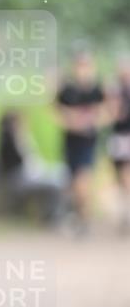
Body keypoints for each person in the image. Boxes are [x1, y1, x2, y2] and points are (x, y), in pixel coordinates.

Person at [55, 48, 107, 235]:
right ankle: (78, 214)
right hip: (71, 142)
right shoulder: (67, 90)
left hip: (88, 143)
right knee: (73, 184)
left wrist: (92, 122)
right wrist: (70, 122)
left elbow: (107, 111)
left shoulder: (96, 90)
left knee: (83, 182)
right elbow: (56, 111)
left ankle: (84, 219)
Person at [0, 111, 66, 224]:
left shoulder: (20, 139)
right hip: (19, 180)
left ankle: (54, 214)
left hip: (28, 176)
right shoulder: (9, 142)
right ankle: (52, 216)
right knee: (55, 183)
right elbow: (22, 165)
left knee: (60, 174)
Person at [107, 57, 130, 234]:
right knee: (120, 178)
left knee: (125, 176)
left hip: (126, 137)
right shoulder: (115, 90)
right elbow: (113, 115)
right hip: (118, 138)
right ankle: (124, 214)